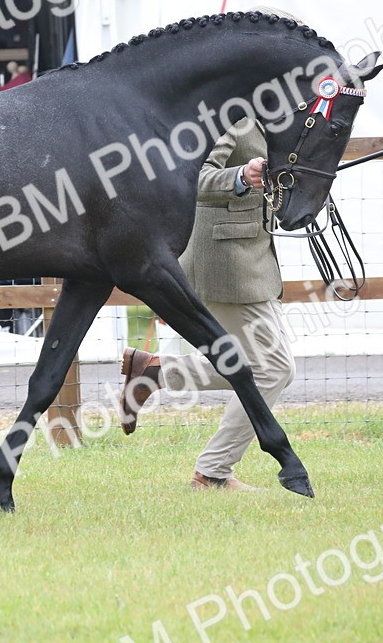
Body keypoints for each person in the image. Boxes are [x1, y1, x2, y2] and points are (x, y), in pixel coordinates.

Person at [118, 117, 295, 491]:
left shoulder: (278, 113)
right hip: (227, 260)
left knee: (261, 368)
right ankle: (213, 471)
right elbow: (194, 177)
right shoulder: (232, 115)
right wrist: (241, 177)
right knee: (273, 370)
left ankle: (154, 372)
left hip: (254, 257)